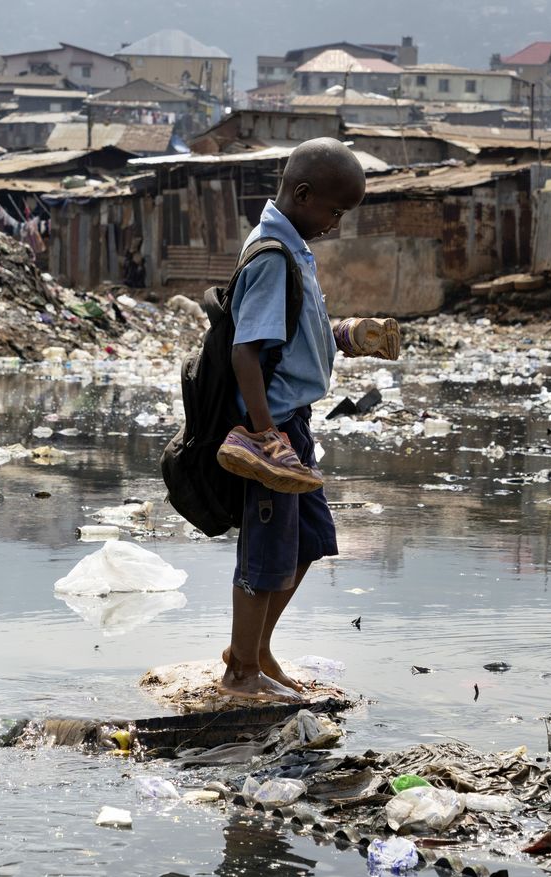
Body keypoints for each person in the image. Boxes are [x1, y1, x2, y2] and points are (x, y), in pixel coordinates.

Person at [214, 138, 390, 703]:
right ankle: (240, 671)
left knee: (309, 539)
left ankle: (258, 649)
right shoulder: (271, 256)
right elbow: (247, 352)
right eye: (334, 212)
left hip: (295, 423)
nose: (337, 224)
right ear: (303, 193)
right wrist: (266, 438)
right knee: (265, 551)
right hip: (273, 428)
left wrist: (347, 336)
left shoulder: (295, 249)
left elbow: (292, 336)